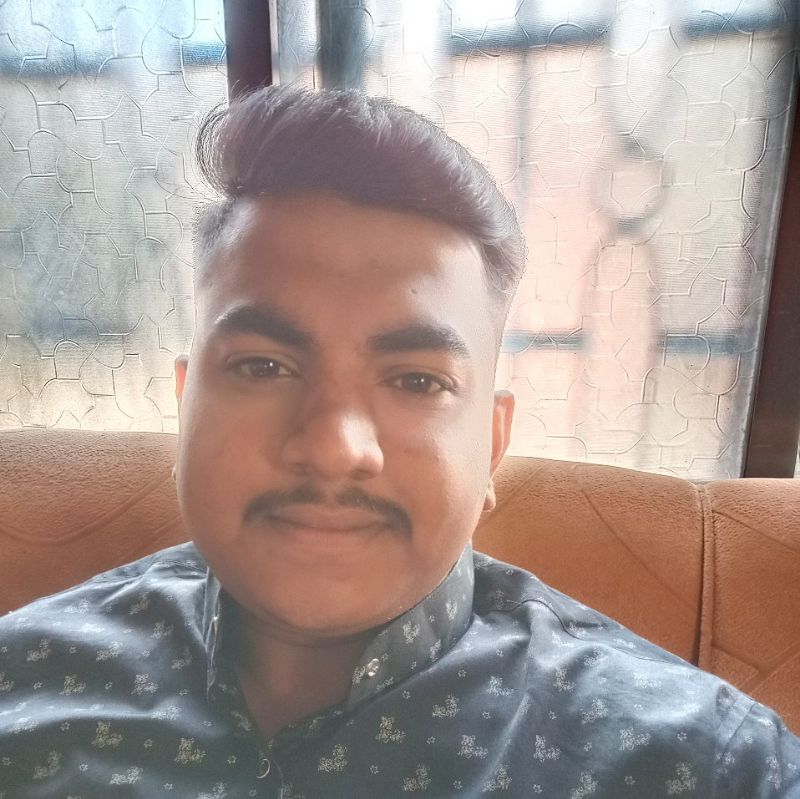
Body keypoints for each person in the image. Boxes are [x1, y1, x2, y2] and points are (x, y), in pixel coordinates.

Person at [0, 86, 798, 799]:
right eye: (263, 366)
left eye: (417, 380)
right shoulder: (22, 682)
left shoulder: (710, 765)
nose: (334, 447)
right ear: (186, 407)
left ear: (492, 444)